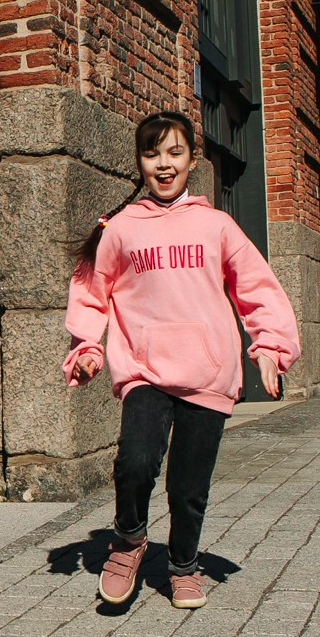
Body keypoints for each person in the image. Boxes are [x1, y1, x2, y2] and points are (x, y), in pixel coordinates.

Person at [64, 110, 299, 610]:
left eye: (175, 153)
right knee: (135, 463)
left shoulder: (217, 225)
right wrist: (87, 348)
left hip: (207, 373)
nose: (164, 165)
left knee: (189, 485)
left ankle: (184, 565)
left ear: (194, 159)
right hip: (144, 370)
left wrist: (270, 348)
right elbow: (90, 292)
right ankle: (128, 540)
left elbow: (257, 289)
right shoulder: (122, 227)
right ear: (139, 162)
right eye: (152, 154)